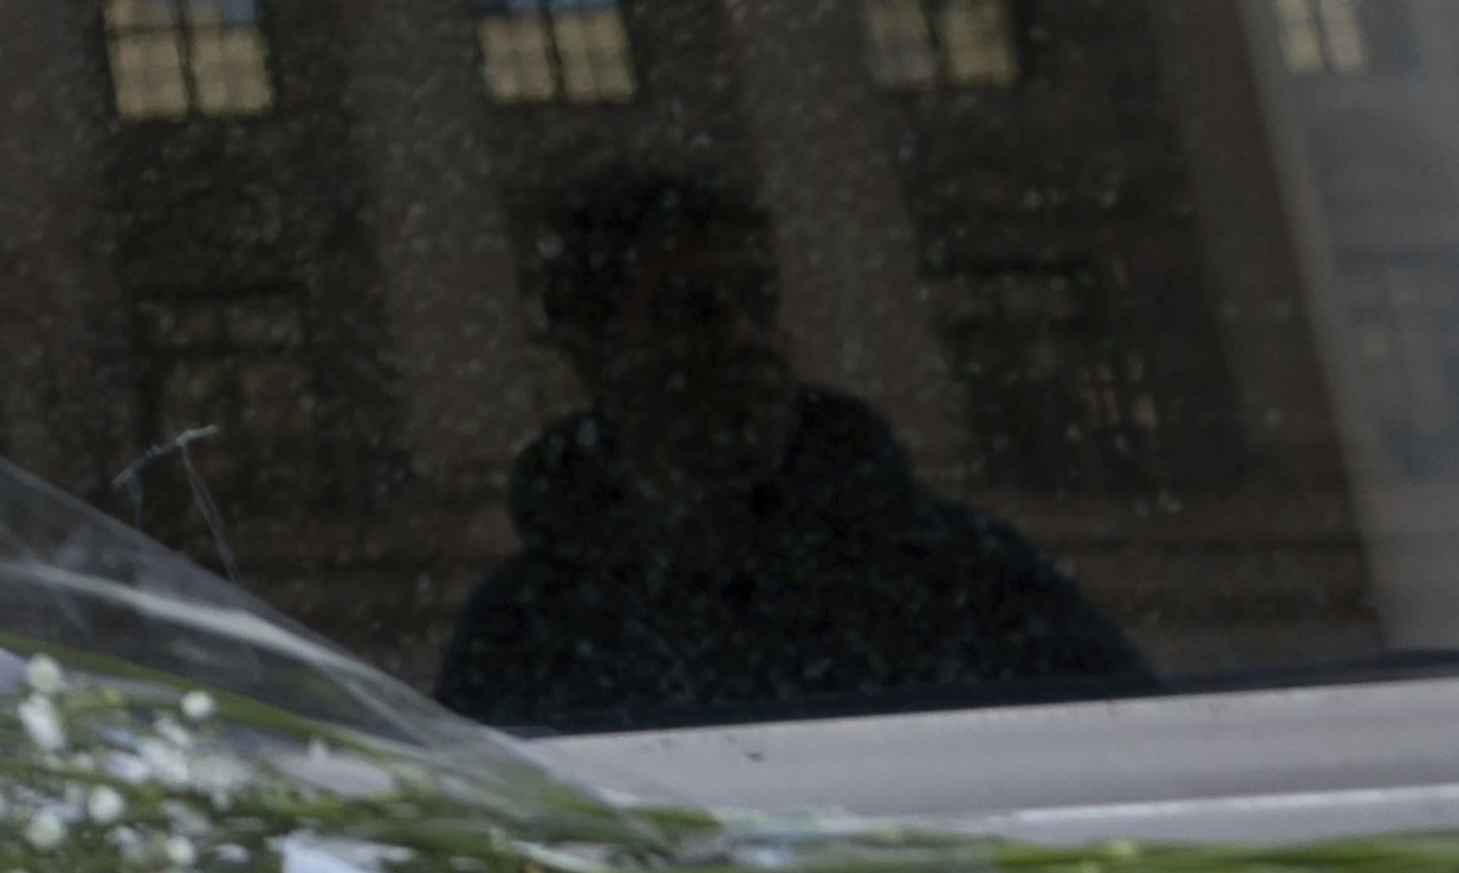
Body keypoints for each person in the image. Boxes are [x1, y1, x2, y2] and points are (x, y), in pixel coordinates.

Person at [439, 167, 1146, 729]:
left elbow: (1147, 752)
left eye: (760, 302)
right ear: (594, 354)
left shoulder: (964, 576)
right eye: (690, 311)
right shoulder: (527, 629)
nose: (742, 337)